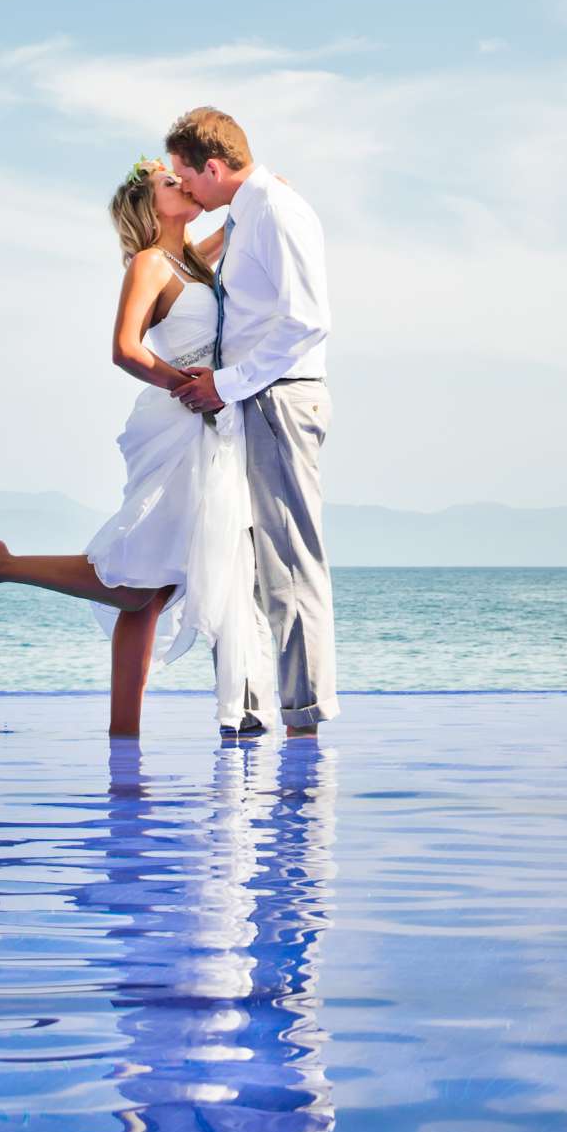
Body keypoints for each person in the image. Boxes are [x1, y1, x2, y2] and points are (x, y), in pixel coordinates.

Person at [0, 159, 276, 739]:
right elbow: (123, 349)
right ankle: (2, 565)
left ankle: (124, 737)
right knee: (142, 579)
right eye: (172, 185)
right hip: (178, 420)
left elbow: (235, 223)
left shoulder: (192, 260)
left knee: (151, 588)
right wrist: (186, 385)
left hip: (205, 423)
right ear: (149, 207)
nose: (185, 185)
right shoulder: (148, 264)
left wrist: (259, 185)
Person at [164, 106, 337, 737]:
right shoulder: (249, 211)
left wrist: (225, 385)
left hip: (278, 396)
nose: (186, 189)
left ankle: (305, 717)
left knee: (291, 561)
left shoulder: (275, 209)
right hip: (252, 399)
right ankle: (262, 706)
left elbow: (307, 319)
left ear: (212, 167)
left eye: (187, 177)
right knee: (255, 562)